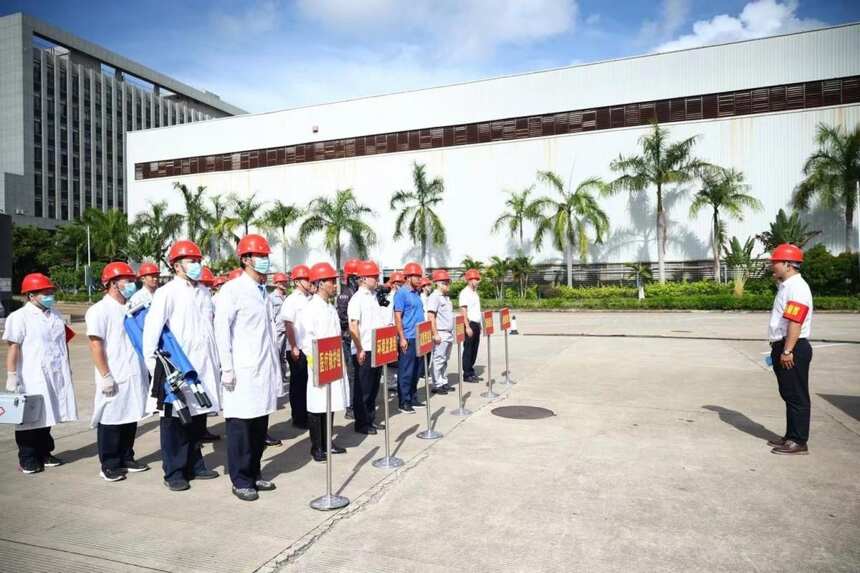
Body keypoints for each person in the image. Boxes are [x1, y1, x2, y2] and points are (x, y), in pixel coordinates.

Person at [142, 239, 221, 492]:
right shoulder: (167, 293)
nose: (197, 265)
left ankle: (195, 464)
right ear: (177, 266)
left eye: (199, 261)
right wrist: (156, 366)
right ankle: (174, 471)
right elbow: (151, 332)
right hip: (176, 367)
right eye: (191, 261)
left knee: (197, 418)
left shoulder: (204, 292)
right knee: (174, 420)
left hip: (202, 367)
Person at [214, 234, 281, 501]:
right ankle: (240, 479)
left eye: (266, 256)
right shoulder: (232, 290)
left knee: (258, 426)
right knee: (241, 427)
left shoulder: (262, 291)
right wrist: (227, 367)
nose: (265, 261)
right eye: (260, 256)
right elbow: (221, 331)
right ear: (245, 259)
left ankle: (254, 472)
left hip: (262, 370)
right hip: (241, 372)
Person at [3, 273, 78, 474]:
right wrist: (12, 375)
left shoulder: (55, 314)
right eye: (45, 293)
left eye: (50, 292)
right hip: (31, 374)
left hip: (54, 372)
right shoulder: (19, 317)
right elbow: (13, 347)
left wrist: (66, 367)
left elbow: (62, 343)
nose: (49, 296)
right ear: (31, 295)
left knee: (48, 414)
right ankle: (27, 458)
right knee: (29, 419)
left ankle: (45, 453)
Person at [86, 262, 151, 482]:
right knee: (112, 419)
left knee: (130, 414)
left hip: (134, 370)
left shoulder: (131, 307)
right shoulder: (98, 310)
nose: (133, 284)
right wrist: (105, 375)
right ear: (113, 283)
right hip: (113, 372)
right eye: (128, 281)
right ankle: (110, 464)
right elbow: (96, 345)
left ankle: (126, 456)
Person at [766, 243, 814, 456]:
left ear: (788, 264)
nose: (772, 266)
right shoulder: (786, 285)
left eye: (775, 262)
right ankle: (790, 435)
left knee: (797, 395)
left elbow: (795, 320)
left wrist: (787, 350)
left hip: (793, 346)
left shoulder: (797, 287)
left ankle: (799, 441)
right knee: (788, 394)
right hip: (784, 345)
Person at [299, 262, 349, 462]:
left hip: (333, 360)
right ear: (320, 283)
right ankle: (317, 446)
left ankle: (328, 442)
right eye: (331, 281)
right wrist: (316, 361)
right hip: (318, 362)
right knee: (317, 404)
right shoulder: (310, 309)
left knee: (330, 402)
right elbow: (305, 340)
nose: (335, 285)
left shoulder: (329, 307)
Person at [347, 260, 386, 434]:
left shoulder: (372, 297)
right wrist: (359, 348)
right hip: (364, 349)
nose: (376, 279)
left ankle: (370, 418)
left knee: (373, 387)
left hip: (376, 348)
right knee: (362, 388)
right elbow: (353, 326)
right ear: (363, 278)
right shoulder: (357, 299)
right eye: (373, 276)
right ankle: (361, 423)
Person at [277, 264, 313, 430]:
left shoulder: (309, 299)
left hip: (308, 348)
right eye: (306, 279)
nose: (310, 282)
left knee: (307, 384)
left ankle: (306, 414)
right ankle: (298, 418)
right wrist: (293, 346)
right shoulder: (292, 300)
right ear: (298, 281)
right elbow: (288, 325)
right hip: (296, 349)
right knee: (298, 385)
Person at [394, 261, 425, 414]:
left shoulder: (416, 293)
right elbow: (398, 317)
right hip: (409, 337)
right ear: (408, 277)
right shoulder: (401, 294)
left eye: (420, 276)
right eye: (416, 276)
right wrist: (402, 337)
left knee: (417, 370)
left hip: (419, 337)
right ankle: (403, 401)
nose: (420, 279)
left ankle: (413, 397)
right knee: (406, 371)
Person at [337, 259, 361, 420]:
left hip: (357, 336)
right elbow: (343, 318)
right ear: (352, 278)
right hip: (348, 337)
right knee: (352, 374)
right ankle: (350, 406)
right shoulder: (346, 295)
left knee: (358, 374)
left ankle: (356, 403)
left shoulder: (359, 294)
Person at [426, 269, 455, 394]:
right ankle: (436, 384)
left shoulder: (446, 298)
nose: (447, 285)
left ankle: (443, 381)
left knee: (445, 359)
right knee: (438, 359)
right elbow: (431, 316)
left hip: (448, 332)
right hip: (441, 332)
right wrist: (435, 333)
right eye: (445, 282)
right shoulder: (435, 297)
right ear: (437, 283)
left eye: (448, 282)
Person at [459, 268, 482, 383]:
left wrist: (480, 325)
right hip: (470, 324)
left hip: (476, 324)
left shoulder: (475, 293)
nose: (477, 281)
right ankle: (467, 374)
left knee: (474, 349)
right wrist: (467, 326)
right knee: (468, 349)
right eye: (474, 279)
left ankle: (471, 371)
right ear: (469, 280)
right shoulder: (464, 293)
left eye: (477, 279)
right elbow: (464, 310)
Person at [269, 272, 290, 388]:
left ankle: (282, 375)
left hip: (287, 329)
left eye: (285, 282)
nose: (284, 284)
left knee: (284, 356)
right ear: (276, 284)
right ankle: (276, 378)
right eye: (282, 282)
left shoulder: (287, 297)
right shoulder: (272, 298)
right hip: (278, 330)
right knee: (276, 354)